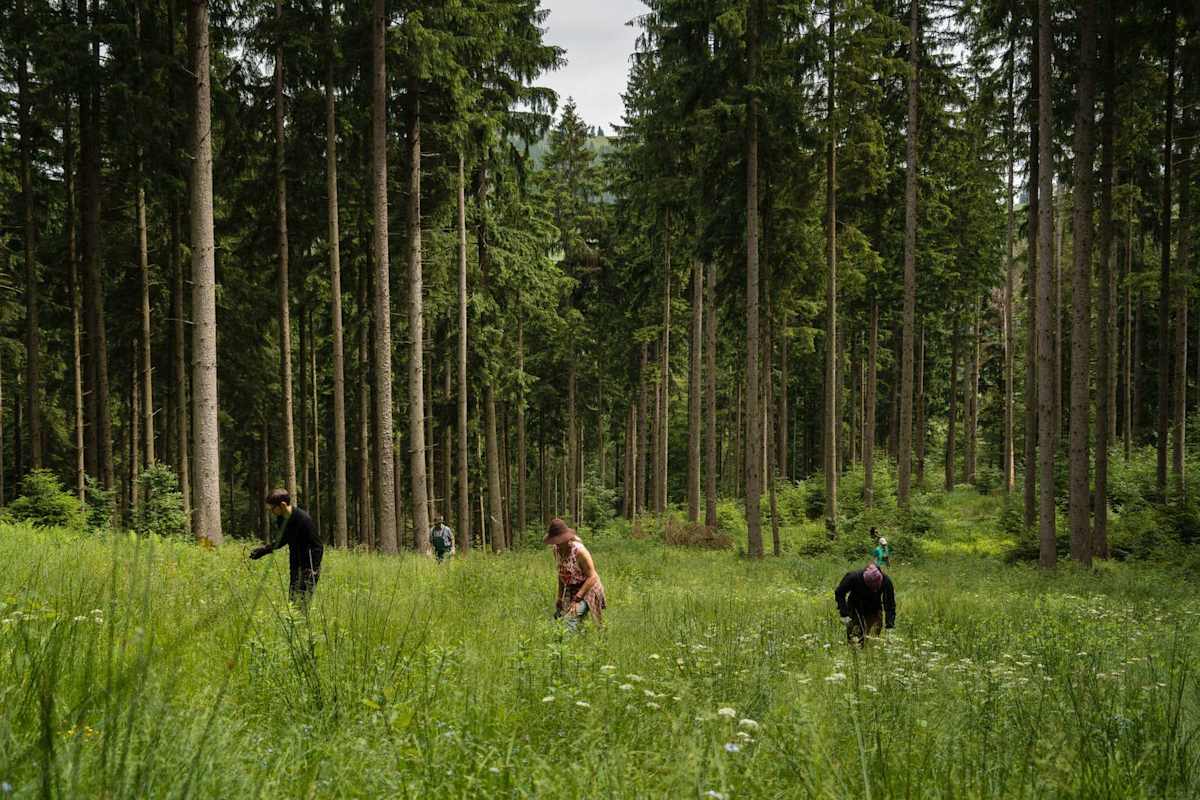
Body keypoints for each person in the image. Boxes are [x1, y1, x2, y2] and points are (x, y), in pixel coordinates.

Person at [250, 489, 324, 604]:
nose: (271, 511)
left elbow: (318, 546)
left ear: (283, 505)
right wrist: (264, 551)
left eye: (272, 508)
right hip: (295, 565)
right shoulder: (281, 519)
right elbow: (283, 539)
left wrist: (312, 569)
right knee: (293, 602)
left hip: (308, 569)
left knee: (302, 604)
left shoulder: (304, 519)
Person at [545, 518, 606, 630]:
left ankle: (566, 645)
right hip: (572, 587)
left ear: (566, 539)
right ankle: (580, 638)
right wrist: (559, 597)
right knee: (559, 617)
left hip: (589, 588)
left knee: (571, 619)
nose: (556, 544)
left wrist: (577, 599)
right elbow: (561, 573)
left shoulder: (579, 551)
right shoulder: (556, 550)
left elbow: (592, 577)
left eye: (558, 540)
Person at [834, 563, 895, 645]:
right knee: (854, 639)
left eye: (876, 588)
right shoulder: (853, 577)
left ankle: (870, 655)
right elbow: (839, 592)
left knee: (872, 640)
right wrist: (844, 614)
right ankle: (855, 655)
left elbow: (889, 604)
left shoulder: (886, 581)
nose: (874, 590)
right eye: (871, 587)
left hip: (874, 609)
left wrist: (889, 626)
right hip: (855, 608)